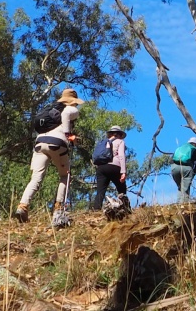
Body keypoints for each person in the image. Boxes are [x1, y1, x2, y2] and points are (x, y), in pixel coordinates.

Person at [14, 88, 84, 224]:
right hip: (58, 143)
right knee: (65, 176)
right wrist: (69, 135)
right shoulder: (71, 109)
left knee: (36, 178)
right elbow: (66, 115)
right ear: (73, 101)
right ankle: (58, 209)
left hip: (40, 143)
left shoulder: (51, 110)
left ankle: (22, 206)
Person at [92, 125, 128, 210]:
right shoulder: (120, 142)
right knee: (122, 189)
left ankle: (96, 210)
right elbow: (121, 156)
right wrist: (123, 172)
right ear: (119, 134)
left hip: (101, 168)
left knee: (100, 191)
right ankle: (125, 208)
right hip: (114, 167)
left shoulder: (104, 142)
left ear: (110, 134)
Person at [171, 137, 196, 203]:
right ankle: (184, 205)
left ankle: (178, 203)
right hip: (187, 169)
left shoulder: (180, 148)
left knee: (180, 187)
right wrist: (193, 173)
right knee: (185, 189)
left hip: (174, 168)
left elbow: (172, 159)